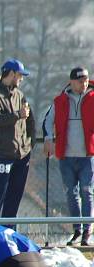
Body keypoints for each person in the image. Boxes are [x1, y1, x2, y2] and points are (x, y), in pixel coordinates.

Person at [42, 66, 94, 246]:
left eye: (86, 80)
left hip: (88, 156)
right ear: (71, 81)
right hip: (66, 156)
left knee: (87, 192)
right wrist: (48, 139)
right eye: (80, 81)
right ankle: (77, 231)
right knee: (71, 194)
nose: (84, 83)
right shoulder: (60, 101)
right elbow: (47, 121)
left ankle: (88, 232)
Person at [0, 59, 35, 229]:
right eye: (20, 75)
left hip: (21, 155)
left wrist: (29, 145)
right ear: (11, 74)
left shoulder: (19, 95)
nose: (21, 79)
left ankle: (9, 231)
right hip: (2, 154)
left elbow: (29, 121)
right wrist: (16, 115)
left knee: (15, 195)